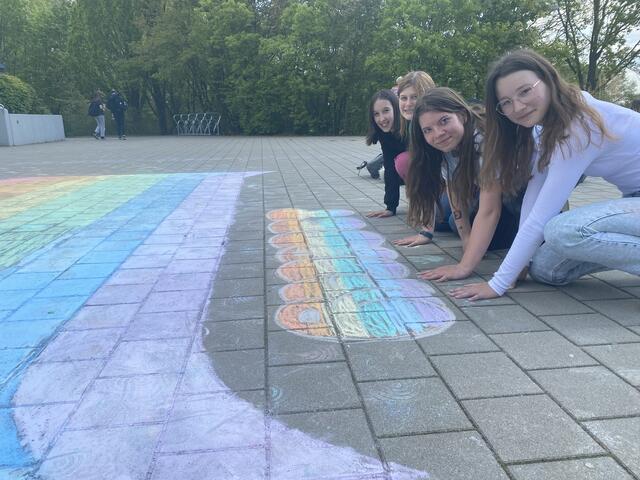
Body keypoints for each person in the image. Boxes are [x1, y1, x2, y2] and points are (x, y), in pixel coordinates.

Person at [450, 49, 640, 301]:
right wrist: (518, 265)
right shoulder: (544, 127)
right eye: (506, 102)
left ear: (548, 79)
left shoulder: (578, 126)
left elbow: (542, 217)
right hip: (632, 197)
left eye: (525, 91)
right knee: (547, 269)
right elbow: (533, 199)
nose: (517, 106)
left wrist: (498, 283)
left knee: (563, 231)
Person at [405, 87, 522, 281]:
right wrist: (466, 237)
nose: (438, 133)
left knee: (485, 230)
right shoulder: (443, 146)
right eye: (428, 130)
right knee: (455, 223)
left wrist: (464, 267)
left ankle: (536, 237)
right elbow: (453, 189)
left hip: (525, 194)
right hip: (495, 192)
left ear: (462, 115)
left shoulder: (484, 141)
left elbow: (490, 210)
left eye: (444, 121)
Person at [365, 90, 406, 217]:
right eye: (376, 114)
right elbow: (390, 167)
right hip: (409, 174)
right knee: (391, 167)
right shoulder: (383, 133)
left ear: (396, 108)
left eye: (386, 111)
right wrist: (390, 207)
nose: (381, 119)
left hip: (438, 181)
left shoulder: (410, 127)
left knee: (404, 160)